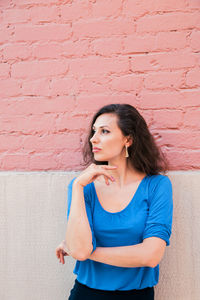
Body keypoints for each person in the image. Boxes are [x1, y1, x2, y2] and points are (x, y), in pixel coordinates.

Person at [56, 104, 173, 300]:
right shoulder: (82, 186)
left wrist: (82, 252)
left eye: (105, 131)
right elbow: (80, 248)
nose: (94, 138)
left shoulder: (157, 186)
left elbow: (151, 255)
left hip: (137, 295)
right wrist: (77, 187)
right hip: (86, 294)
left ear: (128, 139)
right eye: (94, 131)